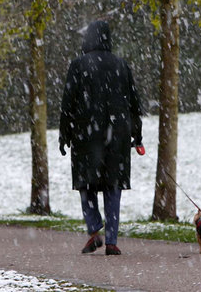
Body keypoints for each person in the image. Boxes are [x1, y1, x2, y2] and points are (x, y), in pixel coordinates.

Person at [59, 20, 144, 255]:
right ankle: (112, 241)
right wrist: (137, 134)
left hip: (86, 137)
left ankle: (94, 229)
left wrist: (64, 134)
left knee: (86, 185)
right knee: (112, 186)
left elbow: (68, 103)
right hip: (117, 136)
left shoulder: (78, 65)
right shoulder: (121, 65)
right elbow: (134, 103)